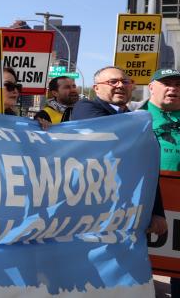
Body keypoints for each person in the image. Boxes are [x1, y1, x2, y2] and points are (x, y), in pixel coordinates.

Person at [69, 66, 167, 236]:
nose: (120, 85)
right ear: (96, 88)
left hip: (125, 208)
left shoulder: (137, 119)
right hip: (89, 204)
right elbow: (112, 133)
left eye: (125, 82)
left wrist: (157, 211)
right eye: (113, 82)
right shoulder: (86, 108)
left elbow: (148, 167)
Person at [143, 68, 180, 295]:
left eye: (178, 85)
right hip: (149, 203)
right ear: (151, 87)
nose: (173, 88)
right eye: (167, 83)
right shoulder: (134, 117)